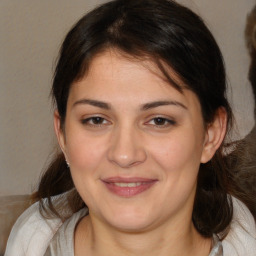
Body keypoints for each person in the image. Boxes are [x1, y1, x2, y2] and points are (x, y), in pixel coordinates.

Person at [5, 0, 256, 255]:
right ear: (63, 135)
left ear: (211, 135)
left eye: (159, 120)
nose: (124, 154)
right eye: (97, 120)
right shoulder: (28, 241)